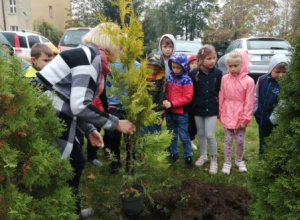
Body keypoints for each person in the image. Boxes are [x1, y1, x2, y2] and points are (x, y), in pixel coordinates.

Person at [32, 23, 136, 219]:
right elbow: (79, 105)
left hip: (55, 113)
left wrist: (89, 129)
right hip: (46, 116)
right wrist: (116, 123)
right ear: (110, 42)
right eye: (120, 45)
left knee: (75, 163)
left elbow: (70, 98)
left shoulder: (88, 54)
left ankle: (71, 210)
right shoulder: (90, 60)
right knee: (52, 170)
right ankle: (55, 210)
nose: (121, 51)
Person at [219, 50, 255, 175]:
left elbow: (249, 101)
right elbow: (222, 95)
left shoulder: (249, 81)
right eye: (230, 66)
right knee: (228, 139)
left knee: (240, 140)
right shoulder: (224, 79)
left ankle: (239, 160)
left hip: (241, 114)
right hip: (228, 112)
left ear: (242, 64)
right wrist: (220, 112)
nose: (233, 68)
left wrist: (245, 119)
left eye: (236, 65)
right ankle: (227, 162)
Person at [189, 45, 222, 175]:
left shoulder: (218, 73)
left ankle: (214, 160)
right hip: (198, 108)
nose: (212, 61)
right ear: (201, 60)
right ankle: (203, 155)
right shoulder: (193, 73)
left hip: (212, 108)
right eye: (209, 58)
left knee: (210, 134)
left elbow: (220, 91)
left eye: (214, 58)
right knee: (201, 134)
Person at [103, 60, 140, 174]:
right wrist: (110, 99)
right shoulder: (112, 65)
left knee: (131, 136)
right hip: (115, 105)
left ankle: (130, 163)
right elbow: (108, 83)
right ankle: (115, 160)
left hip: (131, 105)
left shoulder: (138, 66)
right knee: (113, 135)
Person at [162, 53, 194, 170]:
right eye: (173, 67)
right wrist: (165, 101)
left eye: (178, 67)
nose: (175, 70)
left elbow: (188, 97)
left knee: (184, 136)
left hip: (181, 114)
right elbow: (165, 92)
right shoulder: (169, 78)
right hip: (170, 113)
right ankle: (173, 153)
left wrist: (173, 104)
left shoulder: (187, 80)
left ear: (184, 67)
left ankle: (188, 157)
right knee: (172, 135)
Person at [254, 54, 289, 155]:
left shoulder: (286, 84)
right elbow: (256, 95)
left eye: (284, 72)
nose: (281, 75)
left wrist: (273, 119)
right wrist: (255, 110)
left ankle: (273, 166)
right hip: (261, 119)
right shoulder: (262, 80)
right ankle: (262, 163)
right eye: (277, 72)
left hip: (276, 123)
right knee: (263, 145)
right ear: (270, 69)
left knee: (276, 146)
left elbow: (284, 103)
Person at [143, 51, 166, 134]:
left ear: (160, 68)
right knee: (142, 133)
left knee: (155, 133)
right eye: (150, 67)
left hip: (155, 112)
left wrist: (160, 115)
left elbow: (162, 99)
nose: (153, 70)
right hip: (142, 111)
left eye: (155, 68)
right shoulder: (142, 77)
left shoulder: (162, 80)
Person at [187, 54, 198, 150]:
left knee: (195, 124)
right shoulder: (186, 76)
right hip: (188, 104)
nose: (194, 65)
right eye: (192, 63)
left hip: (197, 104)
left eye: (197, 63)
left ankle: (191, 138)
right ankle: (189, 141)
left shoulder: (200, 75)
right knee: (189, 124)